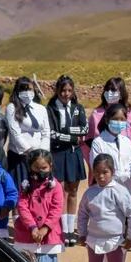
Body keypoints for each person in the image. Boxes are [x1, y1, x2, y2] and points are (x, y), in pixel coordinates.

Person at [47, 75, 88, 246]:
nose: (66, 93)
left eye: (69, 90)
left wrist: (67, 131)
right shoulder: (50, 109)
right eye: (63, 90)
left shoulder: (78, 108)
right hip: (57, 154)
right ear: (57, 90)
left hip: (74, 154)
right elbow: (52, 133)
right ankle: (62, 229)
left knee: (73, 190)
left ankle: (71, 230)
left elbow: (84, 128)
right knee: (60, 191)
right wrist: (71, 137)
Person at [14, 149, 65, 262]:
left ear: (50, 167)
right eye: (36, 168)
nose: (40, 171)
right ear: (30, 166)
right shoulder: (25, 186)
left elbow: (56, 209)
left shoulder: (56, 187)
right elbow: (22, 207)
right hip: (28, 233)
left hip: (48, 235)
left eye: (44, 168)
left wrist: (44, 229)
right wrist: (32, 227)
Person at [85, 76, 131, 178]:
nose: (109, 93)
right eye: (107, 90)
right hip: (104, 160)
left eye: (113, 90)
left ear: (121, 93)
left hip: (128, 159)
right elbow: (89, 139)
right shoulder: (97, 113)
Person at [5, 76, 51, 185]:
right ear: (18, 91)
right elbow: (15, 133)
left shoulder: (41, 109)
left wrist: (42, 153)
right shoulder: (12, 107)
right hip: (20, 157)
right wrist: (31, 152)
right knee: (21, 190)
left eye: (29, 89)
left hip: (39, 159)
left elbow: (46, 132)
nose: (27, 92)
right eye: (23, 89)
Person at [90, 103, 131, 192]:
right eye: (115, 119)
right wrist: (118, 176)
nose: (119, 122)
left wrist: (127, 175)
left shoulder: (126, 141)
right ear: (107, 120)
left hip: (125, 189)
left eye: (122, 119)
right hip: (106, 189)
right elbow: (96, 167)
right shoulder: (98, 142)